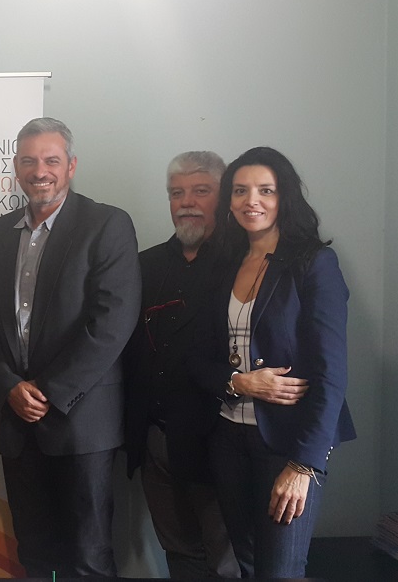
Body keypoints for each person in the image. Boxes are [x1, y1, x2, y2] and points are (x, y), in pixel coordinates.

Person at [0, 117, 140, 577]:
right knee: (34, 554)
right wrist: (8, 386)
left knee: (88, 557)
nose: (39, 171)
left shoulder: (106, 224)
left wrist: (47, 392)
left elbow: (112, 323)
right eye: (29, 161)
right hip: (18, 422)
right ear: (16, 167)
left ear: (71, 166)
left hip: (82, 422)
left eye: (51, 160)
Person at [189, 146, 356, 578]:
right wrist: (239, 382)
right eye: (240, 190)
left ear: (285, 197)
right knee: (246, 566)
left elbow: (331, 374)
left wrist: (304, 465)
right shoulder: (221, 264)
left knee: (280, 571)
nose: (252, 201)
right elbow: (196, 358)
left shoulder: (314, 263)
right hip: (228, 438)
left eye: (266, 190)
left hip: (288, 443)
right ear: (229, 201)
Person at [123, 151, 239, 579]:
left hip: (219, 440)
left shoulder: (244, 265)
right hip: (156, 439)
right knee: (179, 552)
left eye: (200, 191)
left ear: (223, 198)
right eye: (177, 193)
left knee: (227, 561)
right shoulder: (143, 265)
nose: (186, 202)